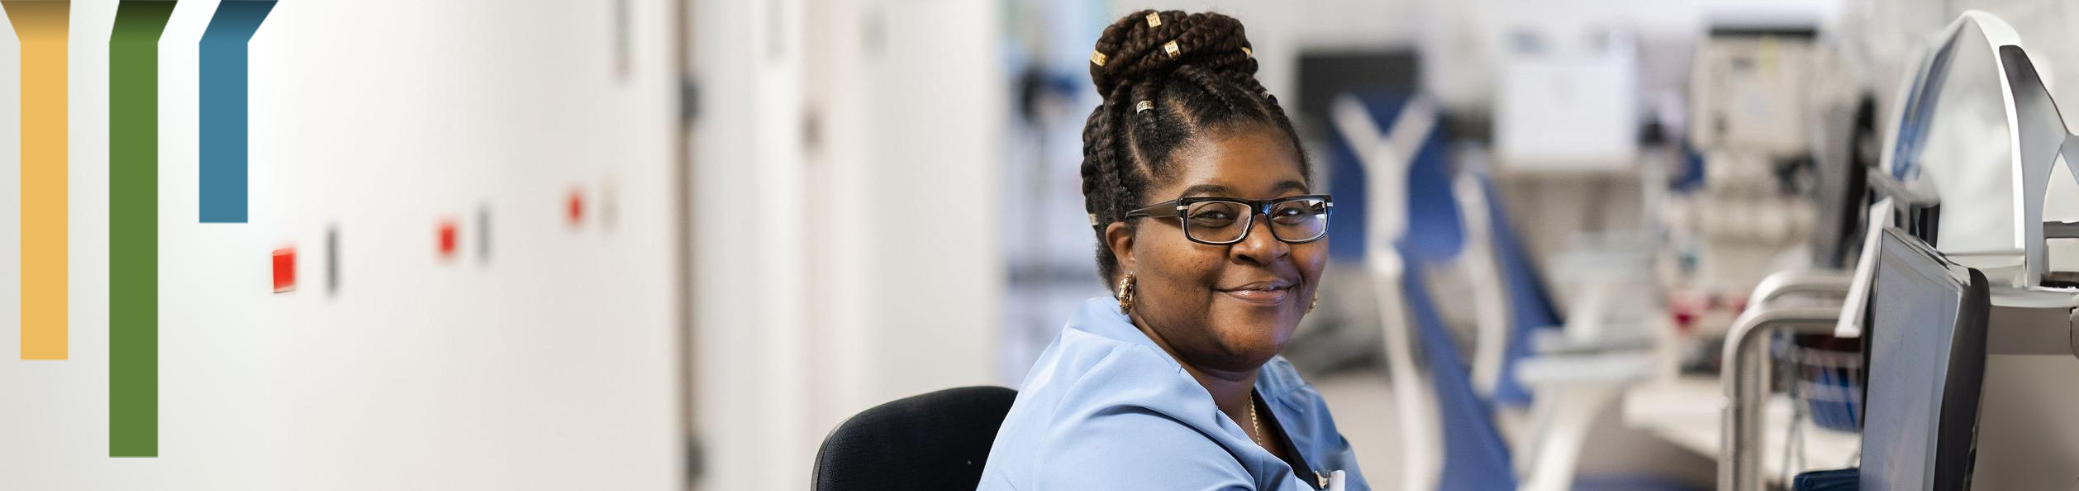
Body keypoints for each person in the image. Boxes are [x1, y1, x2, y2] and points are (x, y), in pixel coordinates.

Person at [978, 10, 1369, 491]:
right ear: (1127, 248)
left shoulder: (1276, 391)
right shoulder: (1119, 445)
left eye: (1290, 210)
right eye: (1212, 216)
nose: (1266, 244)